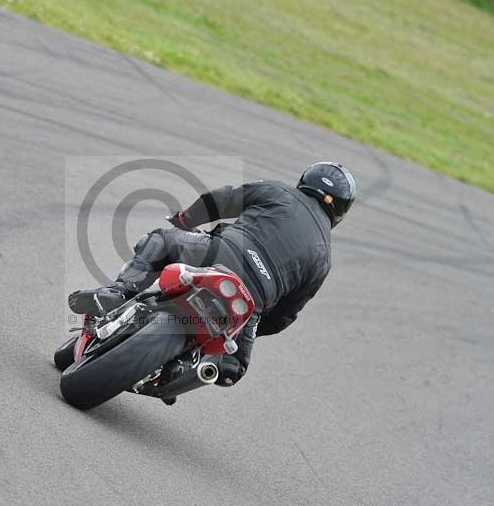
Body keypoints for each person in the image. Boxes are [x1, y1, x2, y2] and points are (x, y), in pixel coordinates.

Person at [68, 162, 356, 387]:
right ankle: (182, 368)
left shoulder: (280, 191)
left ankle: (118, 292)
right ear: (341, 211)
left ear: (304, 182)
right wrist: (248, 323)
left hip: (218, 254)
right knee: (230, 370)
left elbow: (221, 200)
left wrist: (185, 220)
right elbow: (285, 315)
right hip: (252, 300)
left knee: (161, 240)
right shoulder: (324, 258)